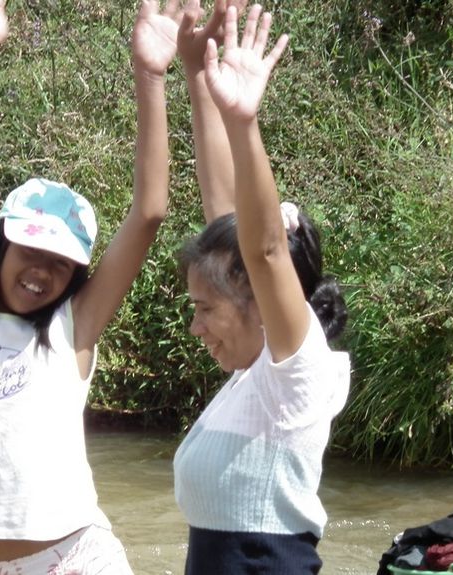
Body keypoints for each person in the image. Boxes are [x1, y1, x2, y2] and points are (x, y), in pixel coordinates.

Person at [0, 0, 181, 572]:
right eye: (30, 249)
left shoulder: (71, 327)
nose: (41, 271)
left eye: (60, 263)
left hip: (77, 559)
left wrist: (150, 76)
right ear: (1, 244)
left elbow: (149, 212)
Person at [171, 2, 350, 573]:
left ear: (261, 297)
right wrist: (198, 76)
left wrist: (244, 122)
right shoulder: (254, 377)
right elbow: (227, 221)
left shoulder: (294, 372)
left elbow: (264, 249)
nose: (195, 326)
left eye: (204, 308)